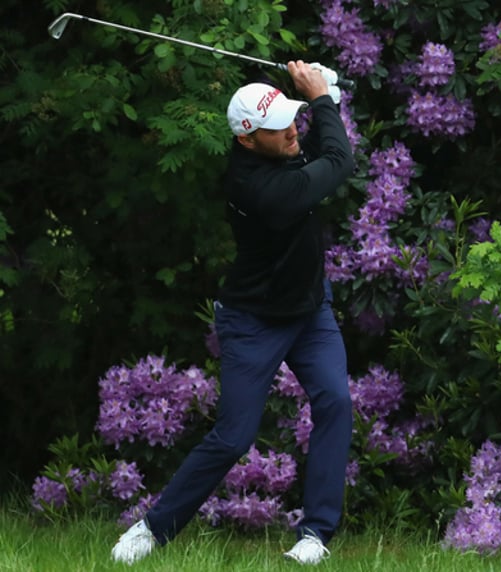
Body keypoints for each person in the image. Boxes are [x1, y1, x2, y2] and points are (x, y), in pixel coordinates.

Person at [111, 61, 356, 565]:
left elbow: (315, 141)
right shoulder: (258, 189)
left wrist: (321, 90)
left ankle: (315, 536)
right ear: (247, 140)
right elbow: (337, 159)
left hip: (309, 311)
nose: (292, 129)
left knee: (334, 401)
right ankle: (153, 530)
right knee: (234, 436)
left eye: (291, 117)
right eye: (279, 126)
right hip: (253, 320)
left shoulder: (279, 147)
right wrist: (322, 99)